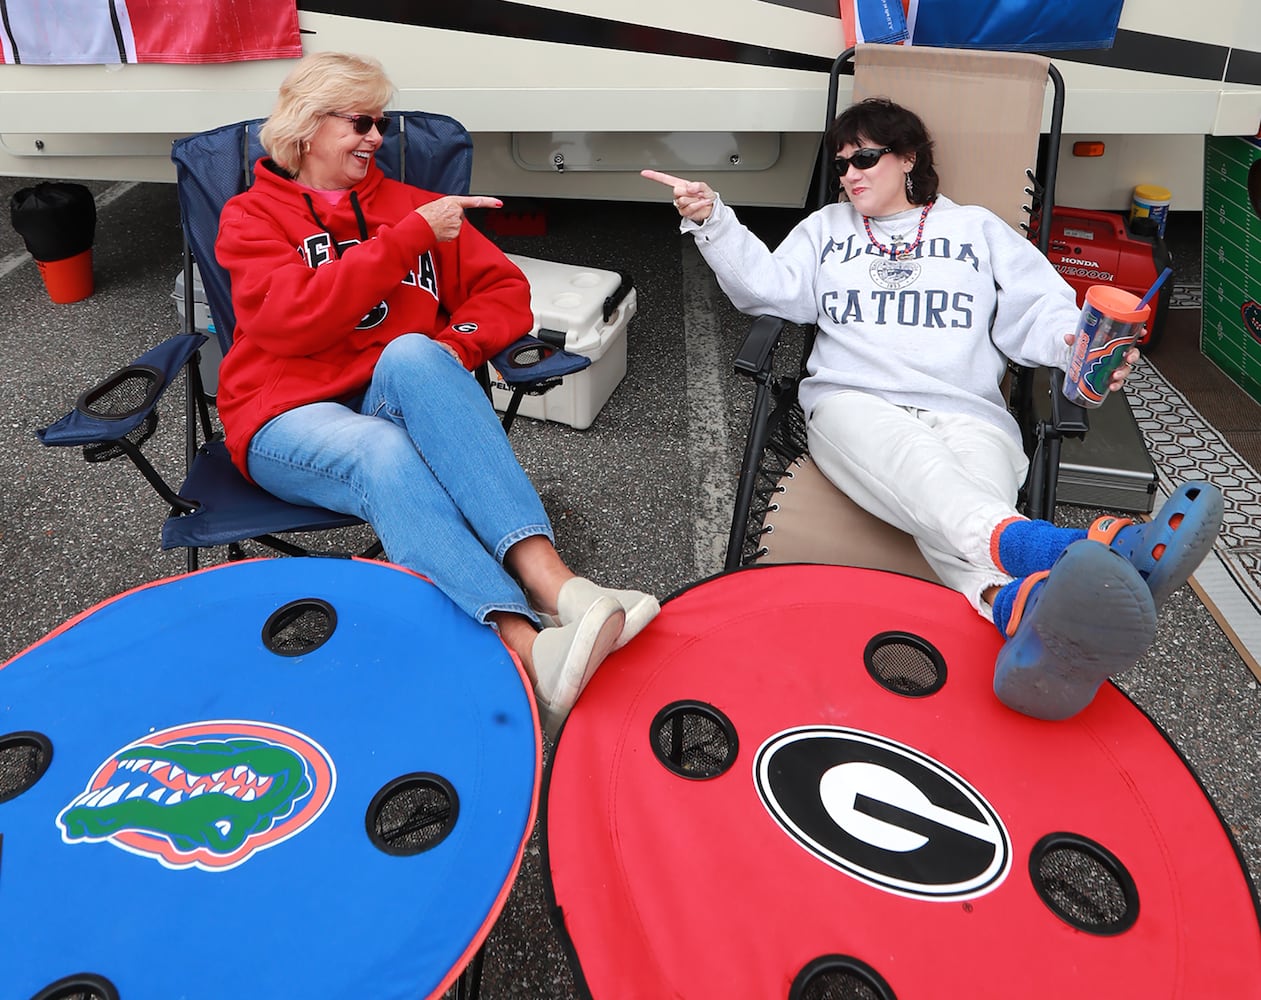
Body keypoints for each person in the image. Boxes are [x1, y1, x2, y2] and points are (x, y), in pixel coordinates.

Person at [643, 97, 1222, 721]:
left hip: (968, 409)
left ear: (908, 158)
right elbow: (765, 290)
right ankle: (1075, 547)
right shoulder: (825, 231)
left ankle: (1021, 609)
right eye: (841, 164)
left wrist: (1079, 346)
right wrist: (713, 219)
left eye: (865, 157)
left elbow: (1044, 311)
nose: (850, 175)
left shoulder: (978, 229)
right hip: (854, 402)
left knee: (959, 499)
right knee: (925, 470)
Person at [214, 51, 658, 737]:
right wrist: (404, 243)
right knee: (382, 451)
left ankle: (560, 588)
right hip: (286, 416)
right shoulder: (252, 218)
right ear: (306, 124)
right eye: (360, 122)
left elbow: (503, 289)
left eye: (381, 125)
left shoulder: (415, 208)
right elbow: (286, 321)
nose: (375, 139)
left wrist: (455, 349)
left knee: (417, 352)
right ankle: (525, 642)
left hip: (392, 396)